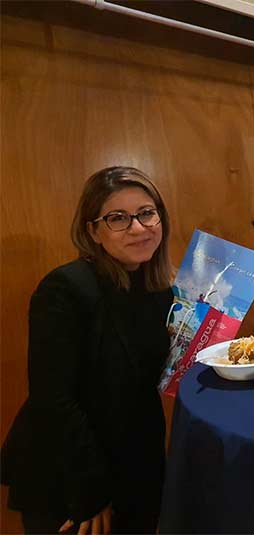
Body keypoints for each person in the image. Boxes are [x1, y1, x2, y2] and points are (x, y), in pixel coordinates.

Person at [1, 167, 173, 533]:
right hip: (70, 473)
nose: (139, 228)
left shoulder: (159, 290)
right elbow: (53, 399)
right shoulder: (65, 288)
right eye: (118, 218)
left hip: (134, 465)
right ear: (92, 231)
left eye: (147, 213)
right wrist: (90, 492)